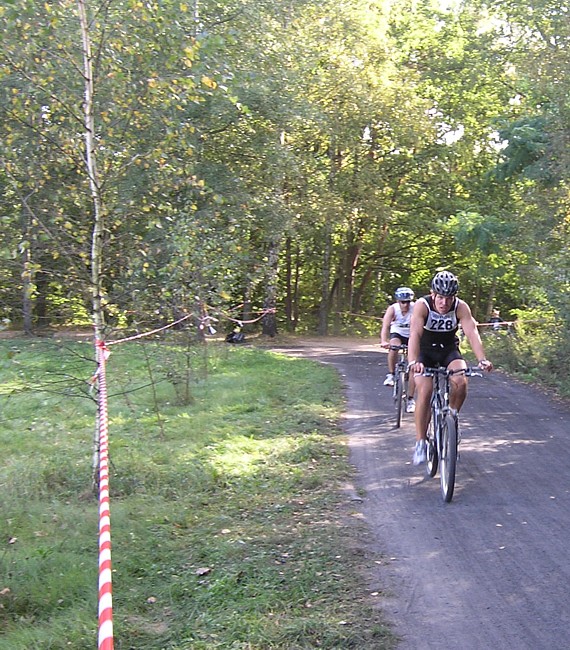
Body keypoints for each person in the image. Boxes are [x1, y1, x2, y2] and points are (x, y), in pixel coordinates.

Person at [407, 271, 493, 465]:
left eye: (449, 298)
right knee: (425, 390)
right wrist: (413, 362)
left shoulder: (461, 307)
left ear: (454, 297)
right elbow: (414, 335)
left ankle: (451, 420)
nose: (444, 303)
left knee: (461, 381)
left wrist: (482, 359)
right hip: (424, 353)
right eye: (440, 297)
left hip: (448, 350)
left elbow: (472, 333)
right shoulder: (422, 305)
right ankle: (420, 442)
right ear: (432, 294)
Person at [380, 287, 416, 413]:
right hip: (397, 333)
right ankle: (391, 374)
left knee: (413, 365)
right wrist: (384, 341)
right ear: (398, 301)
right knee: (393, 347)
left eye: (407, 302)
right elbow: (385, 326)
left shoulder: (416, 308)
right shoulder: (393, 309)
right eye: (402, 302)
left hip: (412, 335)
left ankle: (411, 399)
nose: (405, 305)